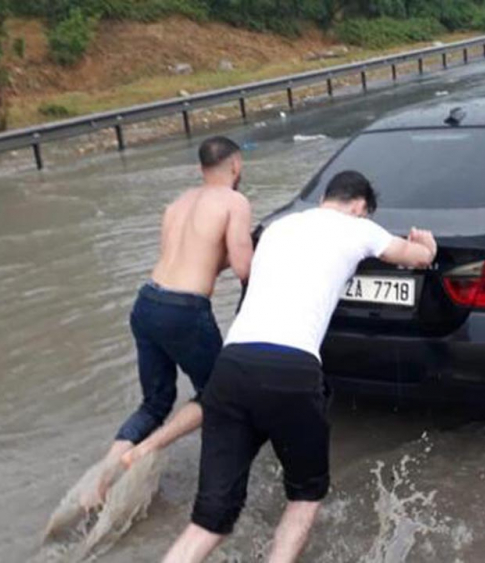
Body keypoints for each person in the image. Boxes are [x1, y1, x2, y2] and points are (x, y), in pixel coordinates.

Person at [161, 171, 437, 563]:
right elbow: (417, 258)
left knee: (210, 519)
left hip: (232, 367)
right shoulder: (358, 229)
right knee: (305, 497)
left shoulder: (278, 227)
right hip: (290, 370)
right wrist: (426, 244)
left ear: (326, 196)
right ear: (358, 207)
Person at [80, 136, 254, 508]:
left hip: (147, 302)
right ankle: (148, 451)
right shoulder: (234, 201)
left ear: (200, 169)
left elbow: (189, 260)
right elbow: (244, 268)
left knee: (154, 403)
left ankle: (104, 477)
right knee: (219, 393)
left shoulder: (176, 205)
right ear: (236, 165)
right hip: (185, 311)